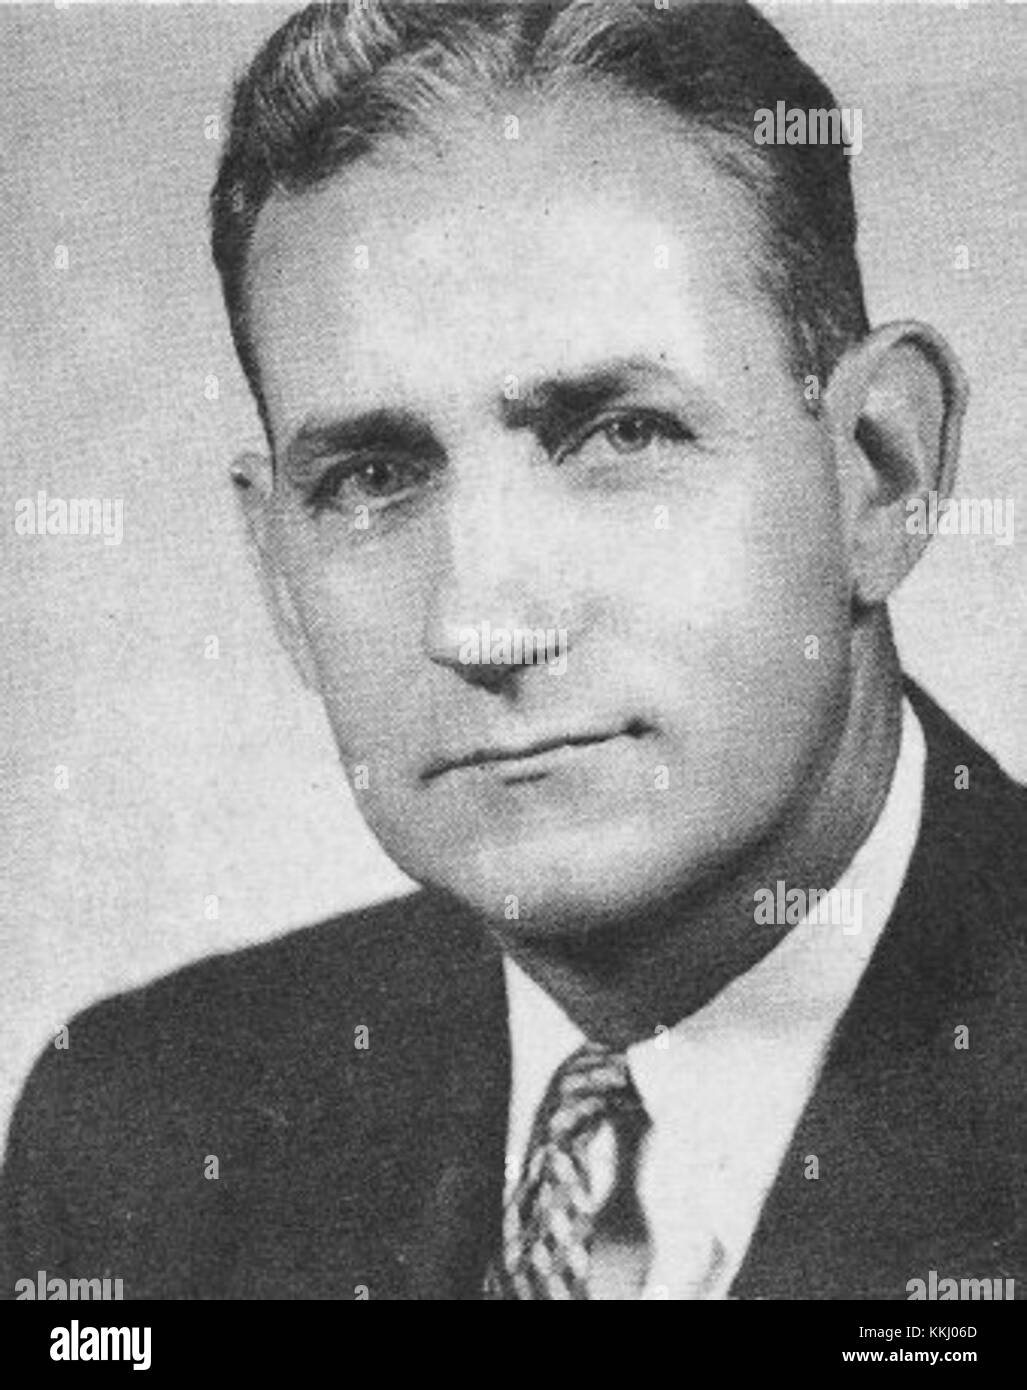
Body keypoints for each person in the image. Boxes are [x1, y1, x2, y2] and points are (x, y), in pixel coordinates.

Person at [2, 0, 1023, 1301]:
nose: (481, 622)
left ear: (878, 472)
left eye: (620, 433)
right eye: (373, 475)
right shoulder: (139, 1129)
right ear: (278, 576)